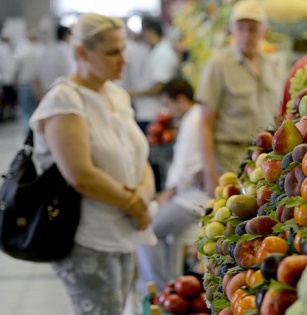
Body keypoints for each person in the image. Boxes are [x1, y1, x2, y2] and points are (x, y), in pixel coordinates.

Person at [28, 13, 155, 315]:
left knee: (120, 307)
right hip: (88, 238)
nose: (123, 59)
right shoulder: (65, 101)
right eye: (113, 52)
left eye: (123, 49)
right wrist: (135, 205)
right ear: (81, 53)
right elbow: (80, 175)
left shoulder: (116, 94)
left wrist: (145, 196)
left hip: (123, 231)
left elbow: (139, 157)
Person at [196, 0, 283, 195]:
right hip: (229, 160)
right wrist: (210, 175)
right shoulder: (218, 65)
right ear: (232, 29)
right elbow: (204, 124)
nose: (246, 35)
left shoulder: (272, 63)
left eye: (252, 29)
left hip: (263, 159)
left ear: (263, 31)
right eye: (241, 28)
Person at [136, 78, 210, 293]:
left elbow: (189, 165)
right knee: (155, 223)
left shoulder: (194, 120)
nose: (168, 111)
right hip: (186, 194)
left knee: (147, 229)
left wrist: (169, 192)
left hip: (193, 199)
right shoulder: (194, 118)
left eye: (168, 104)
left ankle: (159, 291)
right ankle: (167, 282)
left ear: (180, 99)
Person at [127, 17, 180, 133]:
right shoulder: (151, 50)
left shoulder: (162, 53)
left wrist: (133, 93)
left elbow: (159, 86)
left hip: (153, 113)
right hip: (146, 111)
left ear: (149, 31)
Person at [32, 25, 75, 101]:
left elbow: (36, 77)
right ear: (66, 36)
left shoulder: (46, 51)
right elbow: (71, 75)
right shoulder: (67, 52)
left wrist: (40, 97)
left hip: (47, 94)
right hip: (64, 96)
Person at [15, 29, 45, 130]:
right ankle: (37, 134)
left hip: (25, 84)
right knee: (39, 111)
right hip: (40, 85)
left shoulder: (22, 51)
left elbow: (16, 68)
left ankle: (28, 136)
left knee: (26, 112)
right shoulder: (42, 50)